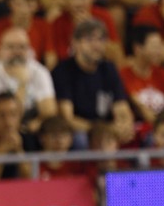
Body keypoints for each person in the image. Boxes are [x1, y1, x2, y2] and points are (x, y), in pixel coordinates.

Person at [51, 18, 135, 149]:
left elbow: (122, 108)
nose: (96, 45)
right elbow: (67, 118)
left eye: (101, 40)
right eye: (89, 40)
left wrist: (125, 125)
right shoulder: (63, 71)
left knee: (134, 134)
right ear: (75, 43)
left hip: (107, 129)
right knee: (81, 139)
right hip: (83, 130)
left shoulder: (109, 69)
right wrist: (104, 131)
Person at [0, 26, 58, 134]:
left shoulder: (39, 71)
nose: (17, 52)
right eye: (10, 47)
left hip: (33, 122)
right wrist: (22, 83)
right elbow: (4, 113)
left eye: (22, 47)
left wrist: (38, 122)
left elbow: (50, 109)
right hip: (3, 126)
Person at [120, 24, 164, 129]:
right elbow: (144, 112)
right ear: (138, 48)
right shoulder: (123, 75)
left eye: (160, 46)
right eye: (154, 47)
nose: (159, 52)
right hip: (140, 130)